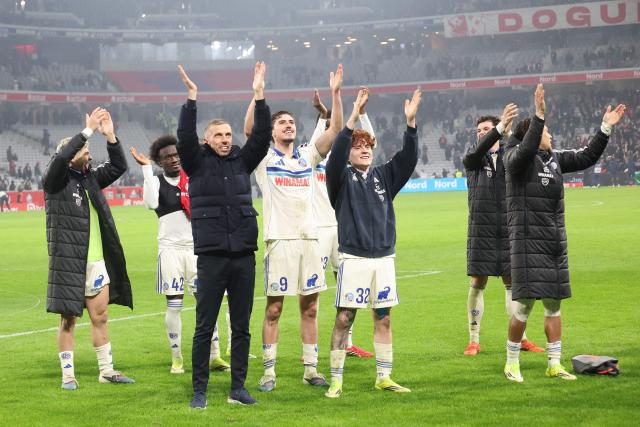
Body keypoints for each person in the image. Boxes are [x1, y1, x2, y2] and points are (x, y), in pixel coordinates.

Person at [502, 84, 626, 382]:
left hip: (554, 243)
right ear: (532, 135)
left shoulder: (555, 158)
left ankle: (554, 363)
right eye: (545, 131)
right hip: (527, 243)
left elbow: (586, 157)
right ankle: (511, 363)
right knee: (523, 306)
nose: (550, 135)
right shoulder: (514, 159)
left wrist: (605, 129)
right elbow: (526, 147)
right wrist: (539, 116)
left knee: (553, 305)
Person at [176, 62, 271, 408]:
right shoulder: (195, 162)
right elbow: (184, 137)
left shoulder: (242, 162)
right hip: (213, 255)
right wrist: (191, 99)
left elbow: (261, 137)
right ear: (207, 139)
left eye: (229, 135)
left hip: (244, 254)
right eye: (219, 135)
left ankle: (238, 388)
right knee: (204, 327)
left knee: (242, 327)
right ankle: (199, 390)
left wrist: (259, 96)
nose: (226, 140)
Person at [324, 87, 421, 398]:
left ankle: (384, 376)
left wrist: (410, 125)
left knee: (384, 316)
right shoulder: (339, 177)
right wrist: (352, 119)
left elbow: (408, 160)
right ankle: (336, 380)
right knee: (344, 316)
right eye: (359, 146)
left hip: (384, 258)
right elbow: (337, 153)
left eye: (368, 146)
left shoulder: (383, 177)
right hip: (353, 258)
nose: (365, 150)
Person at [251, 64, 343, 393]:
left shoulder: (306, 155)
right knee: (274, 308)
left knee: (311, 306)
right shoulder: (263, 157)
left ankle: (310, 369)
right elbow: (250, 129)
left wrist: (334, 94)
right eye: (282, 122)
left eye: (292, 122)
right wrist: (257, 92)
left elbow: (335, 131)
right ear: (272, 131)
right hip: (280, 240)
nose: (289, 125)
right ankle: (269, 372)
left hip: (309, 239)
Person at [42, 107, 134, 390]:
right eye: (85, 151)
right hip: (69, 262)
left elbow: (119, 167)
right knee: (68, 320)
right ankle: (68, 375)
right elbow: (59, 159)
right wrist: (87, 131)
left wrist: (110, 137)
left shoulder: (90, 179)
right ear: (71, 155)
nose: (90, 155)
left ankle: (106, 370)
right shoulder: (56, 181)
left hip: (96, 261)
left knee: (101, 317)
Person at [130, 137, 231, 375]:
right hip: (170, 251)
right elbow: (151, 203)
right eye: (167, 157)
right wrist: (145, 168)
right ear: (159, 161)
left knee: (207, 303)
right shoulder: (156, 181)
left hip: (197, 250)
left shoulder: (193, 179)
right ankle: (177, 358)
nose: (174, 159)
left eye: (176, 154)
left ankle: (214, 356)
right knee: (174, 305)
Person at [462, 104, 543, 356]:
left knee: (512, 283)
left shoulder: (511, 157)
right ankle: (474, 339)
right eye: (479, 130)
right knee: (478, 281)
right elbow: (475, 152)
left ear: (501, 131)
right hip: (481, 230)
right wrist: (497, 130)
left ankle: (522, 338)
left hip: (509, 229)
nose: (481, 133)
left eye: (485, 129)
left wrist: (508, 132)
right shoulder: (474, 157)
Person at [308, 88, 375, 358]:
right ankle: (309, 347)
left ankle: (348, 344)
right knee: (313, 293)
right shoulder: (310, 159)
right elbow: (317, 138)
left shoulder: (344, 163)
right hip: (318, 231)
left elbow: (371, 142)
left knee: (347, 288)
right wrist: (322, 115)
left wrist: (363, 114)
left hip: (343, 230)